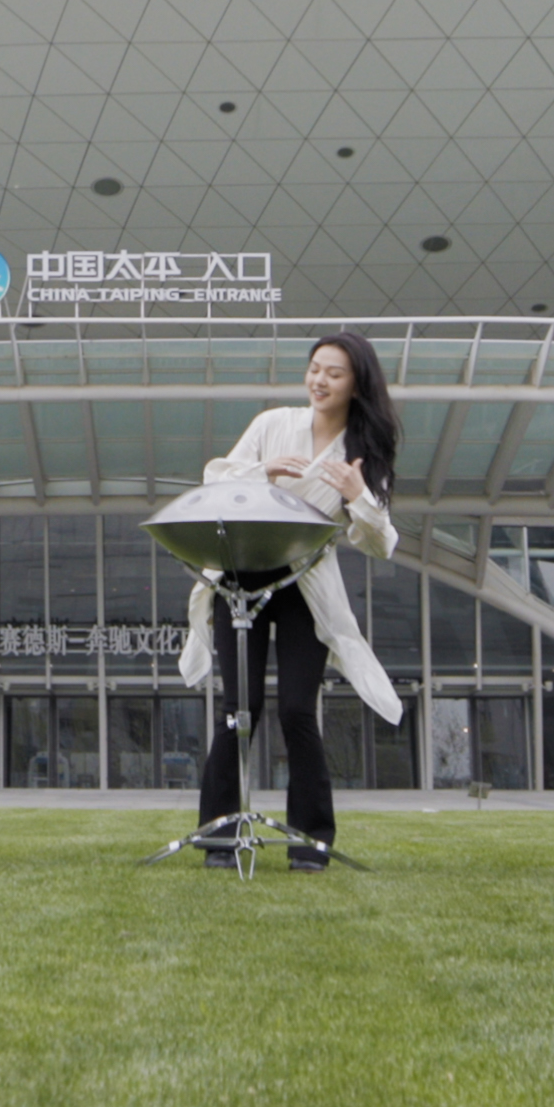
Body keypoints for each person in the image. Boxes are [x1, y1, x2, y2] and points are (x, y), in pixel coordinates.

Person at [177, 331, 408, 870]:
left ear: (357, 385)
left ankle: (312, 842)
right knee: (239, 709)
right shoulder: (273, 424)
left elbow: (380, 543)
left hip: (305, 581)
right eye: (315, 369)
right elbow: (215, 479)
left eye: (334, 373)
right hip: (242, 575)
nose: (319, 380)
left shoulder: (362, 452)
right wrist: (264, 472)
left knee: (299, 710)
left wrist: (357, 496)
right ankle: (219, 837)